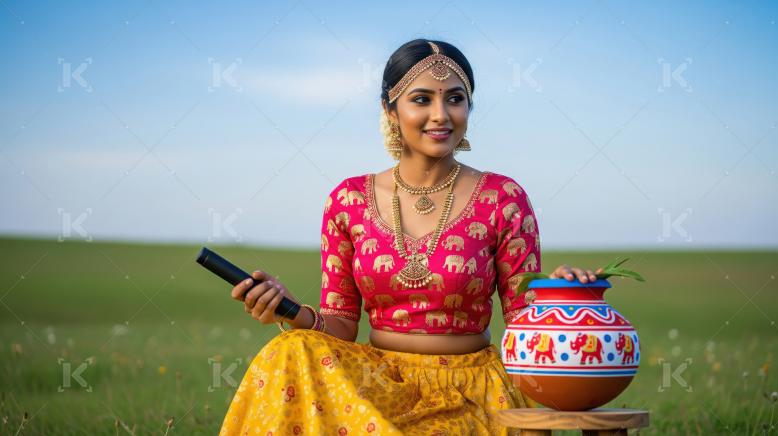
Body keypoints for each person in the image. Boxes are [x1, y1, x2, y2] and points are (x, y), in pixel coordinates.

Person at [219, 39, 601, 435]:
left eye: (455, 99)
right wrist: (287, 309)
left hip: (472, 391)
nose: (441, 115)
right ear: (389, 109)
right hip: (377, 386)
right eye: (421, 99)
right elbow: (342, 326)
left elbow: (525, 321)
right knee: (290, 348)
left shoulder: (502, 198)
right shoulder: (348, 201)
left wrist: (563, 296)